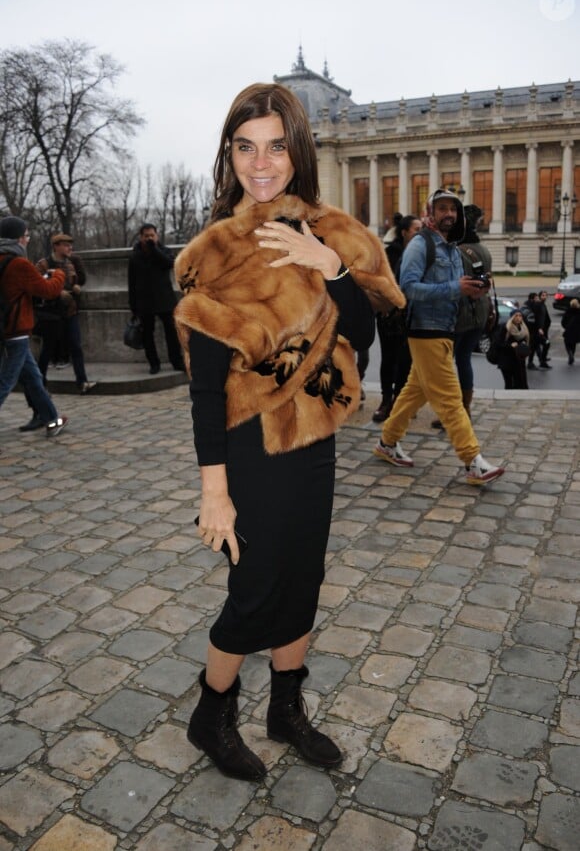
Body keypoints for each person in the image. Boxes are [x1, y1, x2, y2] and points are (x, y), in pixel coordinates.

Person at [172, 83, 404, 782]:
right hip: (249, 448)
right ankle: (211, 714)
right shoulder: (218, 252)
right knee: (254, 591)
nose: (261, 162)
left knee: (304, 579)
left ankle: (286, 709)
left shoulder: (331, 233)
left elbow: (365, 334)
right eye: (246, 146)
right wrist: (215, 490)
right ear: (229, 155)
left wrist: (331, 271)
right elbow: (205, 387)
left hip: (314, 441)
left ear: (297, 151)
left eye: (275, 144)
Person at [373, 188, 505, 486]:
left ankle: (387, 442)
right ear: (430, 212)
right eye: (442, 208)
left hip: (446, 331)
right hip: (425, 330)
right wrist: (456, 288)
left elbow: (457, 289)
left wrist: (474, 291)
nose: (449, 214)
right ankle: (473, 461)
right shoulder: (421, 245)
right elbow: (408, 289)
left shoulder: (452, 248)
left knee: (412, 392)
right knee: (450, 399)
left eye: (453, 209)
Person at [0, 216, 69, 437]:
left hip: (5, 330)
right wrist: (59, 274)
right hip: (15, 331)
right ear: (19, 238)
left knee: (32, 377)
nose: (28, 240)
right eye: (27, 236)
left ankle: (51, 419)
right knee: (5, 383)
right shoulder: (18, 263)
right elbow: (48, 290)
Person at [431, 204, 492, 429]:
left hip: (459, 313)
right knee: (464, 359)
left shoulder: (455, 250)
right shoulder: (483, 250)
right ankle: (464, 408)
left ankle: (452, 411)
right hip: (480, 311)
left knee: (446, 363)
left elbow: (450, 283)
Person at [372, 214, 422, 422]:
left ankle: (400, 401)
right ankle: (386, 400)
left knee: (407, 361)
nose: (420, 233)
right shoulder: (389, 254)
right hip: (389, 315)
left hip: (410, 316)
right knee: (389, 359)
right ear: (404, 232)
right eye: (416, 229)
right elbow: (379, 282)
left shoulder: (421, 253)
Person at [35, 233, 97, 395]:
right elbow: (37, 286)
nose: (70, 248)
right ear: (56, 246)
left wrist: (75, 287)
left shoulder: (71, 263)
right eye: (65, 245)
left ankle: (82, 382)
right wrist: (58, 293)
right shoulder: (43, 264)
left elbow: (76, 281)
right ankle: (41, 384)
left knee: (76, 346)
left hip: (70, 311)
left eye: (70, 245)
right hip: (51, 314)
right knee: (47, 349)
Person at [128, 223, 184, 374]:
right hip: (144, 302)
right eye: (146, 236)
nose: (149, 238)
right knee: (147, 335)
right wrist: (133, 307)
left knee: (172, 333)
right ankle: (154, 363)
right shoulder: (135, 256)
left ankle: (177, 361)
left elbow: (169, 263)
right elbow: (131, 282)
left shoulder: (164, 251)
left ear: (157, 236)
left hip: (165, 300)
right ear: (141, 238)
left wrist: (154, 249)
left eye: (152, 235)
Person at [496, 309, 530, 389]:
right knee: (509, 384)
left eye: (520, 316)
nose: (518, 318)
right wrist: (510, 345)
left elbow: (527, 340)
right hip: (506, 360)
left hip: (519, 360)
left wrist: (524, 345)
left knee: (521, 383)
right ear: (512, 317)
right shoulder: (506, 327)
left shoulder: (523, 328)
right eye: (516, 316)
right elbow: (498, 343)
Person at [521, 292, 540, 370]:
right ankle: (529, 363)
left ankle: (538, 359)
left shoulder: (525, 307)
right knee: (530, 348)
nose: (537, 300)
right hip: (530, 332)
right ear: (532, 299)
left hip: (527, 332)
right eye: (536, 298)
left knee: (532, 347)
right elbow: (531, 321)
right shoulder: (529, 309)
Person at [534, 289, 552, 368]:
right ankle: (542, 361)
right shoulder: (538, 305)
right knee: (546, 344)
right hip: (539, 330)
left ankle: (541, 359)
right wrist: (539, 328)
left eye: (546, 295)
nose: (544, 297)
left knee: (537, 345)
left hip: (544, 329)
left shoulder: (543, 305)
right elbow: (537, 318)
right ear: (540, 296)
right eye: (543, 295)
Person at [562, 298, 580, 364]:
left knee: (567, 343)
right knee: (573, 344)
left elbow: (563, 322)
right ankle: (572, 355)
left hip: (569, 330)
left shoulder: (567, 311)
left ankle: (570, 354)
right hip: (577, 332)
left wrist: (566, 327)